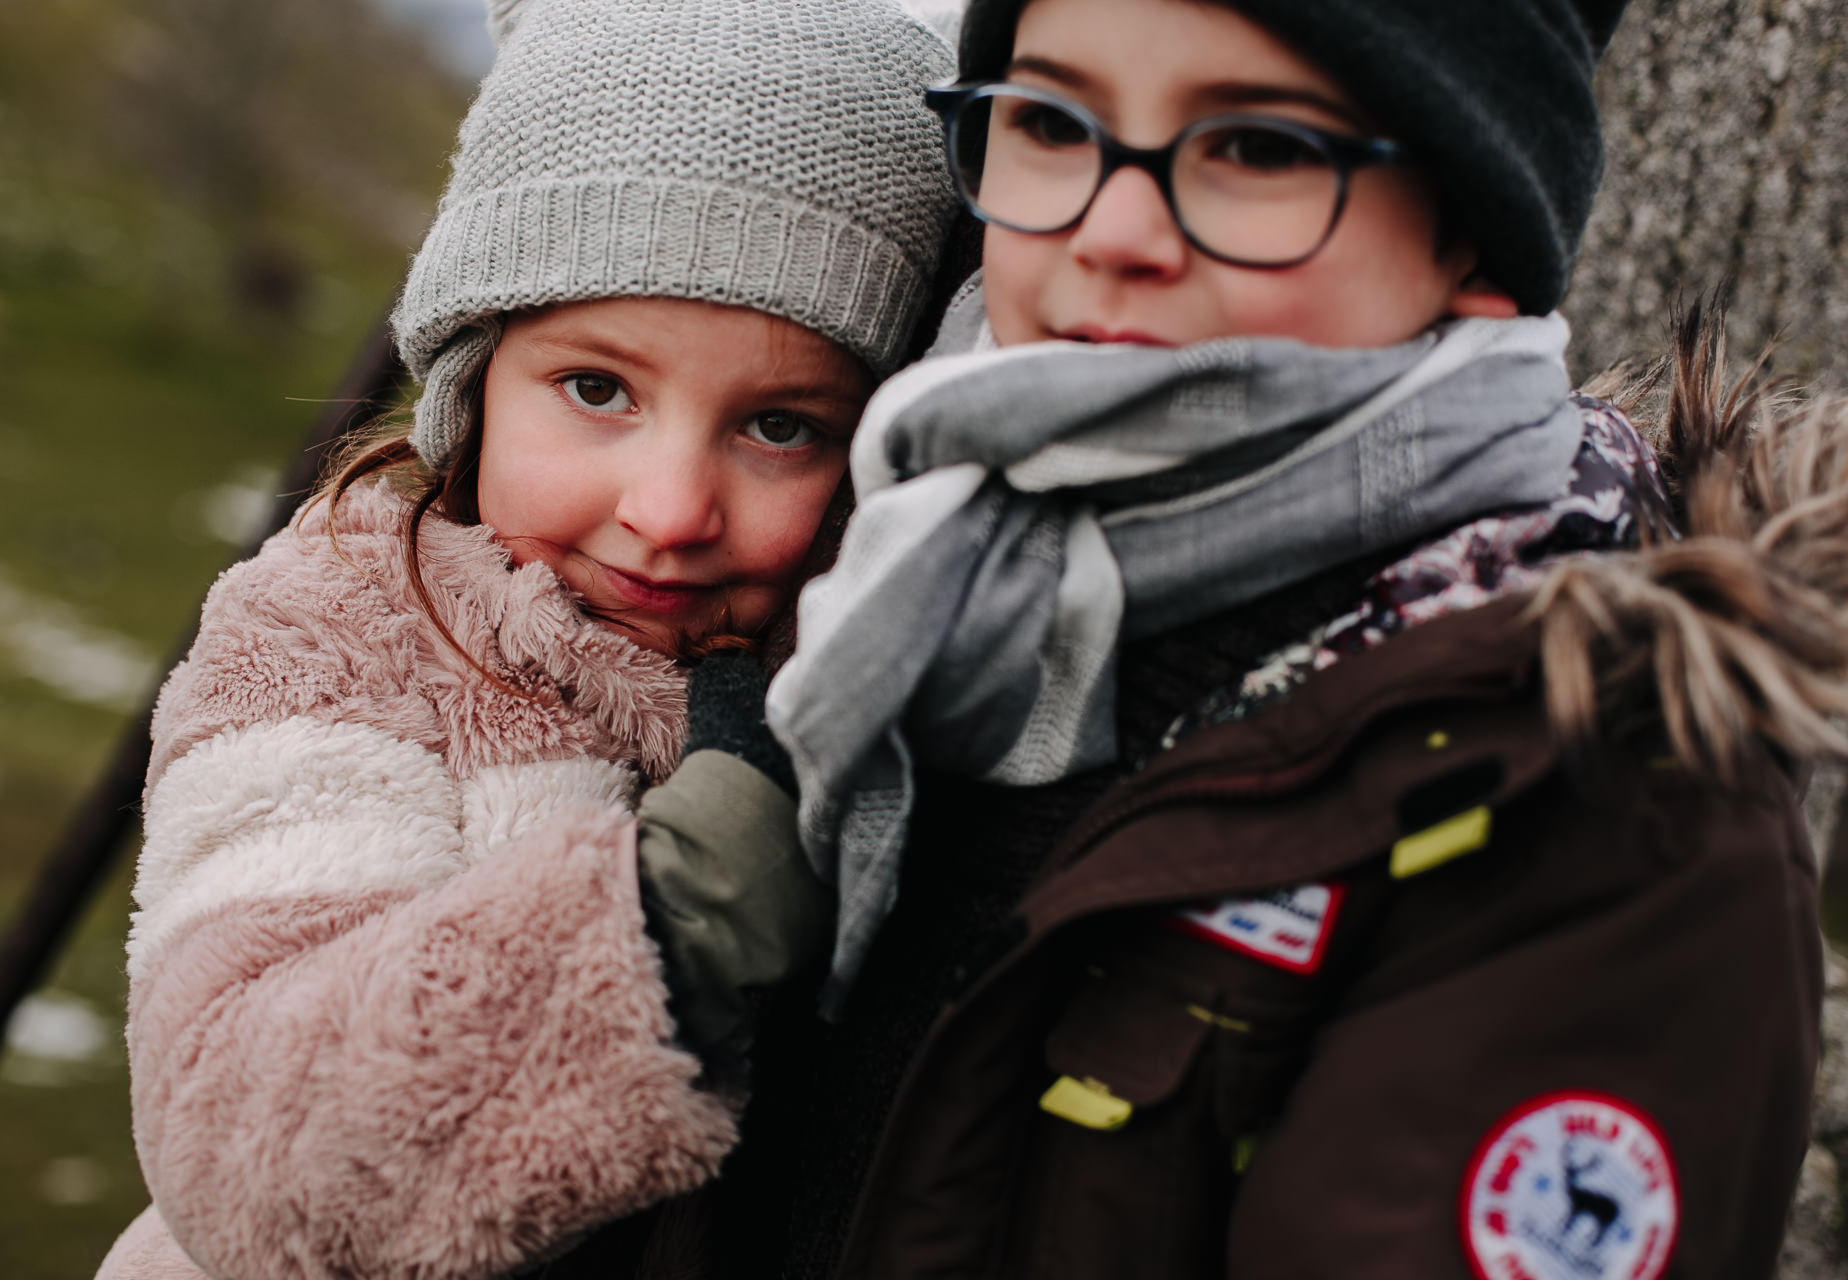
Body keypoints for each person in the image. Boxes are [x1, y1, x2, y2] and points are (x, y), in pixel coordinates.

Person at [684, 0, 1848, 1277]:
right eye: (1051, 123)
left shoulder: (1602, 818)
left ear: (1475, 225)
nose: (1111, 229)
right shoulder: (877, 546)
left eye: (1258, 149)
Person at [92, 1, 958, 1277]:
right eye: (598, 389)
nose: (668, 513)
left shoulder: (859, 663)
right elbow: (248, 1146)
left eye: (781, 425)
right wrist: (677, 921)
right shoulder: (336, 640)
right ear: (474, 378)